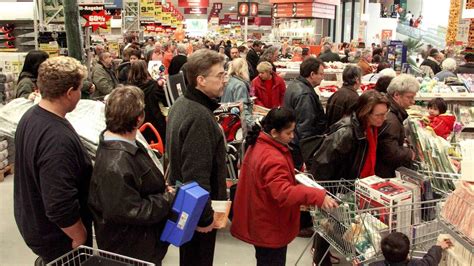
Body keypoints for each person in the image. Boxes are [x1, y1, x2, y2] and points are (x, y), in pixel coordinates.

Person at [231, 108, 338, 266]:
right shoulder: (272, 157)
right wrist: (318, 196)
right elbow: (283, 193)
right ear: (274, 132)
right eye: (289, 132)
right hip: (269, 224)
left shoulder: (259, 143)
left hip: (260, 218)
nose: (292, 136)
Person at [14, 56, 93, 263]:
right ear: (69, 93)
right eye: (78, 89)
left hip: (36, 224)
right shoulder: (56, 140)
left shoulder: (30, 116)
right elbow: (59, 204)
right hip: (59, 238)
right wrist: (79, 236)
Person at [88, 86, 173, 265]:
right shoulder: (116, 163)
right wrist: (167, 199)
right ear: (139, 118)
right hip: (131, 251)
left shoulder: (125, 145)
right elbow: (131, 211)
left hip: (140, 245)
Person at [311, 90, 390, 265]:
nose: (383, 118)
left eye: (385, 114)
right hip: (338, 187)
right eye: (379, 115)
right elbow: (323, 163)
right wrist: (325, 193)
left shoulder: (369, 127)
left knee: (334, 226)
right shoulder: (347, 132)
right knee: (328, 225)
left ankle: (323, 255)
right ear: (365, 112)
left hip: (356, 184)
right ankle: (320, 259)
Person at [166, 49, 228, 266]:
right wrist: (204, 217)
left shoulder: (181, 105)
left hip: (185, 204)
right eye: (219, 75)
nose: (224, 80)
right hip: (196, 212)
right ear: (200, 80)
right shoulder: (199, 117)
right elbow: (196, 175)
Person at [284, 57, 327, 170]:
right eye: (321, 74)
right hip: (297, 146)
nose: (323, 77)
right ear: (312, 74)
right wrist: (308, 154)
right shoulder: (305, 95)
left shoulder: (294, 84)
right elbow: (305, 127)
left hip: (291, 142)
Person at [376, 74, 419, 178]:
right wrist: (410, 153)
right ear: (396, 95)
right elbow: (390, 152)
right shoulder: (391, 119)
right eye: (409, 97)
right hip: (385, 173)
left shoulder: (392, 112)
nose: (412, 101)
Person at [128, 60, 167, 145]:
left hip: (136, 123)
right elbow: (165, 101)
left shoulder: (128, 89)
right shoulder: (154, 86)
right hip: (154, 121)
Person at [369, 232, 453, 266]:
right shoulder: (415, 264)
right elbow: (429, 261)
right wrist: (438, 247)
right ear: (407, 253)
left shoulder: (374, 265)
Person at [221, 58, 253, 128]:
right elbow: (242, 109)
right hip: (236, 124)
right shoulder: (240, 85)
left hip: (226, 121)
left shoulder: (229, 81)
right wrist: (253, 125)